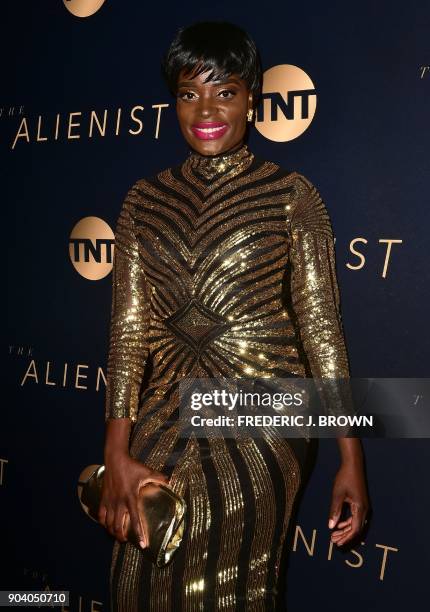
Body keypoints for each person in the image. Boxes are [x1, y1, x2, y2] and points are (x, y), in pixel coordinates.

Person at [99, 21, 369, 611]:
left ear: (252, 99)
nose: (205, 110)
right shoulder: (143, 200)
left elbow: (322, 331)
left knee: (238, 592)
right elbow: (128, 335)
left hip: (263, 421)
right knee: (134, 578)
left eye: (225, 91)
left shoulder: (291, 194)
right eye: (189, 93)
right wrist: (115, 453)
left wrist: (351, 456)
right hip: (163, 414)